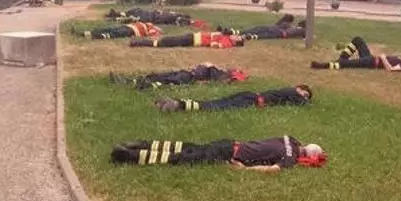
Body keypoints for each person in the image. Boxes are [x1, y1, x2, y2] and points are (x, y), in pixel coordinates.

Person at [110, 135, 327, 172]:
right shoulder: (290, 159)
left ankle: (139, 144)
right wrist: (244, 170)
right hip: (230, 155)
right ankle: (128, 156)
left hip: (231, 144)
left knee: (184, 147)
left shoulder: (289, 139)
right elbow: (273, 169)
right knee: (183, 158)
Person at [154, 84, 312, 112]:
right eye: (305, 94)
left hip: (250, 95)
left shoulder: (287, 91)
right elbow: (303, 104)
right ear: (300, 89)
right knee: (216, 107)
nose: (304, 97)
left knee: (215, 103)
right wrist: (305, 99)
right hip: (251, 101)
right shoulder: (293, 92)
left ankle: (176, 102)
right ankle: (177, 105)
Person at [310, 36, 401, 72]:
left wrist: (383, 58)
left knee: (346, 64)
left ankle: (321, 66)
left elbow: (390, 70)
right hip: (370, 58)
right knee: (358, 40)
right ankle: (341, 60)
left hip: (372, 63)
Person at [108, 63, 248, 91]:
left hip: (188, 77)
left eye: (235, 70)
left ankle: (144, 86)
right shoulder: (218, 70)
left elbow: (212, 81)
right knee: (158, 76)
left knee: (167, 80)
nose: (233, 67)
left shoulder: (218, 74)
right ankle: (129, 81)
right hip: (186, 72)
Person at [217, 15, 307, 40]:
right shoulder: (290, 25)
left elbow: (305, 34)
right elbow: (278, 24)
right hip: (277, 31)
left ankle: (236, 33)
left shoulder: (299, 29)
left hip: (277, 31)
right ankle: (235, 33)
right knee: (259, 32)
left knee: (258, 31)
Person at [129, 31, 244, 49]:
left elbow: (215, 45)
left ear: (235, 42)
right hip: (193, 36)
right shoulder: (226, 37)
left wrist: (215, 39)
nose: (235, 35)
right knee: (168, 40)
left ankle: (137, 42)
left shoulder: (227, 42)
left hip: (194, 40)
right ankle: (138, 42)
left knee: (164, 42)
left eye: (237, 38)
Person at [105, 7, 197, 26]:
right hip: (150, 14)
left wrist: (190, 21)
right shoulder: (171, 16)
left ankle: (115, 18)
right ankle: (116, 15)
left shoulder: (174, 17)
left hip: (150, 18)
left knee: (134, 17)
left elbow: (179, 20)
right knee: (136, 11)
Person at [75, 21, 161, 40]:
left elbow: (152, 35)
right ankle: (84, 33)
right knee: (108, 29)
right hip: (128, 26)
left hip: (132, 32)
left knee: (115, 33)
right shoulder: (149, 24)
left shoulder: (154, 31)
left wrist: (156, 30)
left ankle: (97, 36)